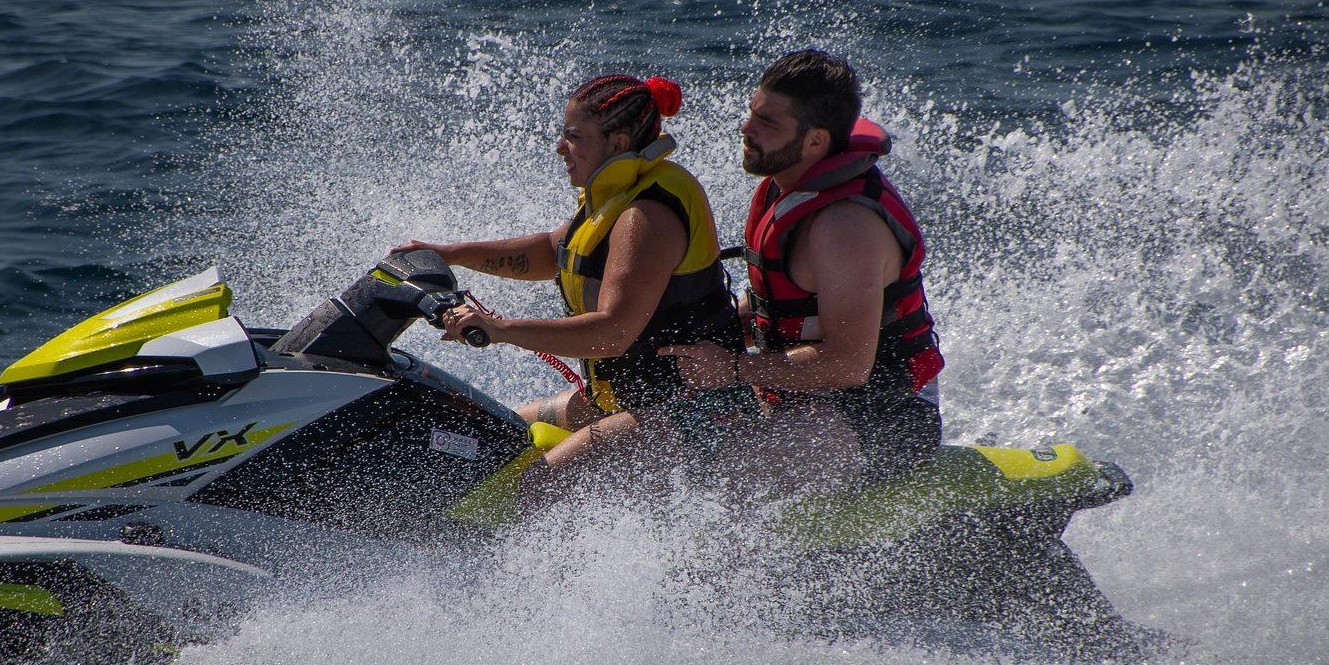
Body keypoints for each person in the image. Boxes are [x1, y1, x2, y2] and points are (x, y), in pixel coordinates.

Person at [395, 74, 741, 473]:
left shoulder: (646, 215)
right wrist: (450, 253)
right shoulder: (615, 195)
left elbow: (612, 333)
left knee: (536, 486)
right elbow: (549, 251)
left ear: (619, 145)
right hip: (623, 400)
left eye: (573, 137)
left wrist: (502, 329)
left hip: (691, 410)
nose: (560, 148)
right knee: (491, 435)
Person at [663, 49, 943, 484]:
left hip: (884, 416)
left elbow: (849, 365)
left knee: (704, 477)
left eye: (768, 123)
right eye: (752, 113)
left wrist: (732, 369)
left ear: (815, 141)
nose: (746, 129)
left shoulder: (845, 228)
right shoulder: (787, 189)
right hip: (801, 396)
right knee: (635, 427)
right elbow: (782, 306)